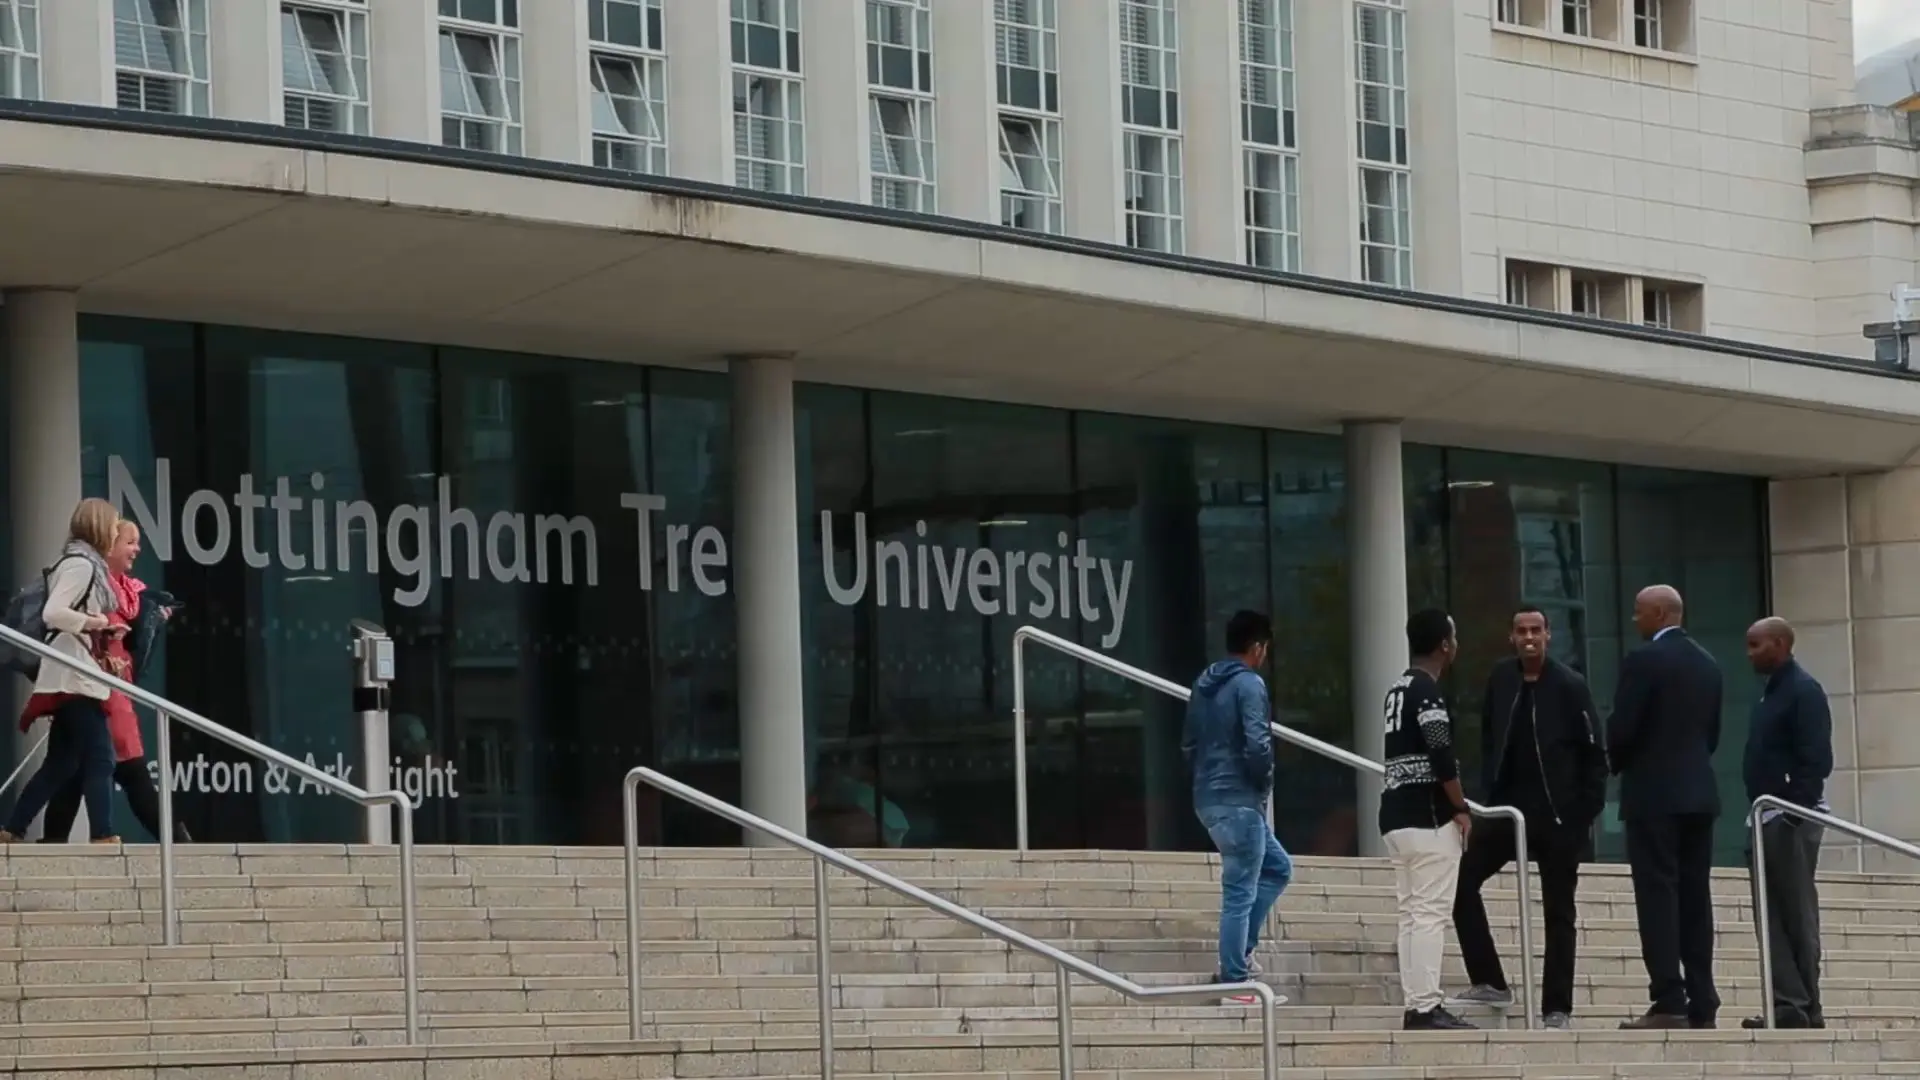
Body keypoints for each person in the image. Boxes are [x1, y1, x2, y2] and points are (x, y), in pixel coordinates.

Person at [1450, 607, 1608, 1029]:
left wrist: (1581, 815)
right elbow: (1488, 737)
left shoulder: (1571, 686)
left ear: (1548, 635)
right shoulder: (1502, 679)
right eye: (1521, 631)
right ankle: (1490, 980)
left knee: (1560, 913)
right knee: (1460, 883)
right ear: (1512, 637)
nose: (1529, 637)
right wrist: (1486, 796)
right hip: (1507, 812)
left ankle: (1557, 1007)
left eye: (1536, 630)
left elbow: (1595, 756)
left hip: (1559, 818)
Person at [1608, 584, 1723, 1029]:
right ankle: (1703, 998)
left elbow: (1623, 728)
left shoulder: (1642, 661)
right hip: (1698, 794)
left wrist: (1615, 762)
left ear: (1659, 614)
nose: (1634, 620)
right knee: (1695, 896)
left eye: (1638, 612)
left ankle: (1669, 998)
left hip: (1654, 795)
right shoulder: (1709, 664)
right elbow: (1710, 734)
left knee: (1657, 894)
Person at [41, 521, 189, 844]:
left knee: (74, 768)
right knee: (127, 767)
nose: (137, 549)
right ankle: (177, 843)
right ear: (109, 546)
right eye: (130, 542)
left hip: (110, 686)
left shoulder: (131, 592)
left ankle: (38, 838)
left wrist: (151, 621)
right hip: (96, 686)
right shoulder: (95, 584)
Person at [0, 498, 125, 844]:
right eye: (115, 525)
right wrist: (96, 621)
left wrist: (100, 629)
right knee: (100, 756)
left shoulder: (85, 564)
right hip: (72, 677)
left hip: (73, 674)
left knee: (61, 763)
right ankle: (102, 834)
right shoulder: (81, 565)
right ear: (100, 526)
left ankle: (12, 828)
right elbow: (54, 613)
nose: (117, 532)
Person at [1184, 609, 1291, 1005]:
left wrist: (1203, 783)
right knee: (1240, 891)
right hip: (1240, 800)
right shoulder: (1249, 684)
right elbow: (1257, 744)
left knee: (1278, 867)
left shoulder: (1203, 683)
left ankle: (1241, 953)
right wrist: (1262, 784)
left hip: (1209, 798)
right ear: (1258, 647)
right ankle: (1235, 981)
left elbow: (1189, 744)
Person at [1381, 607, 1474, 1030]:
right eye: (1453, 638)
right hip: (1428, 815)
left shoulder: (1397, 690)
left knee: (1410, 913)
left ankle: (1415, 1000)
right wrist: (1460, 806)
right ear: (1444, 645)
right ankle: (1425, 1005)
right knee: (1431, 913)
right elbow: (1441, 752)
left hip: (1395, 814)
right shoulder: (1428, 693)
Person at [1740, 616, 1832, 1030]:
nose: (1750, 653)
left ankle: (1805, 1005)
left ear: (1779, 644)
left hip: (1789, 818)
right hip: (1766, 815)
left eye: (1756, 645)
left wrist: (1795, 812)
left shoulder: (1803, 690)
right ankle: (1787, 1005)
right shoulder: (1771, 694)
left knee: (1796, 912)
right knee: (1771, 915)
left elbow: (1816, 759)